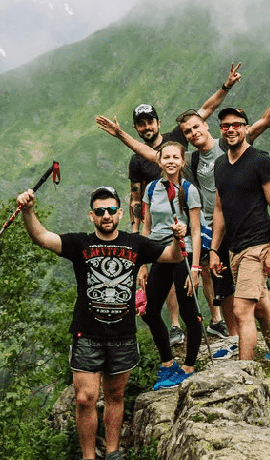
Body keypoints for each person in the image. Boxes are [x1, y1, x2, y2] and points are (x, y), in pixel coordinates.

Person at [99, 74, 270, 344]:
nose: (193, 134)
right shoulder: (191, 161)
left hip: (246, 229)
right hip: (215, 232)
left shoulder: (228, 145)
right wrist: (120, 134)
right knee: (225, 290)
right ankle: (234, 339)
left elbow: (266, 121)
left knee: (260, 296)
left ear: (206, 125)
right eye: (187, 132)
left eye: (196, 127)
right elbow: (152, 155)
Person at [17, 184, 188, 460]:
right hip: (87, 334)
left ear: (120, 213)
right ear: (91, 216)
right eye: (100, 211)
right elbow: (41, 237)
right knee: (85, 398)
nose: (106, 215)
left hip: (122, 334)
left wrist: (178, 239)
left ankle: (111, 453)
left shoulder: (136, 243)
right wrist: (28, 211)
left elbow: (171, 257)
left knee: (116, 395)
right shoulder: (80, 244)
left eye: (111, 210)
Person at [98, 64, 242, 339]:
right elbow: (136, 200)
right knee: (171, 276)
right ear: (137, 127)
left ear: (158, 122)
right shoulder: (138, 161)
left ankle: (216, 318)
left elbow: (207, 108)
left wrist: (227, 86)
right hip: (161, 225)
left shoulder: (177, 139)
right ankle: (176, 326)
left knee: (204, 267)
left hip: (193, 213)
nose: (146, 126)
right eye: (141, 123)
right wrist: (136, 236)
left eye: (150, 121)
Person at [208, 104, 270, 363]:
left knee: (242, 311)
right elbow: (219, 209)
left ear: (245, 128)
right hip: (234, 250)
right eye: (226, 126)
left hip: (257, 246)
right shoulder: (219, 165)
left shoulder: (261, 160)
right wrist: (214, 250)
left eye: (236, 125)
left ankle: (245, 372)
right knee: (263, 310)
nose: (231, 129)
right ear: (220, 130)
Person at [138, 140, 204, 388]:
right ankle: (168, 363)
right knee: (150, 311)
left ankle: (188, 366)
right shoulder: (151, 188)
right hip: (157, 252)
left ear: (182, 161)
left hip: (182, 253)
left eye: (176, 157)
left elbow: (196, 231)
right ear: (160, 161)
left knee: (188, 312)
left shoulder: (189, 190)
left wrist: (196, 268)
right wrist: (141, 263)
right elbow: (146, 226)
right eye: (166, 157)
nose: (171, 161)